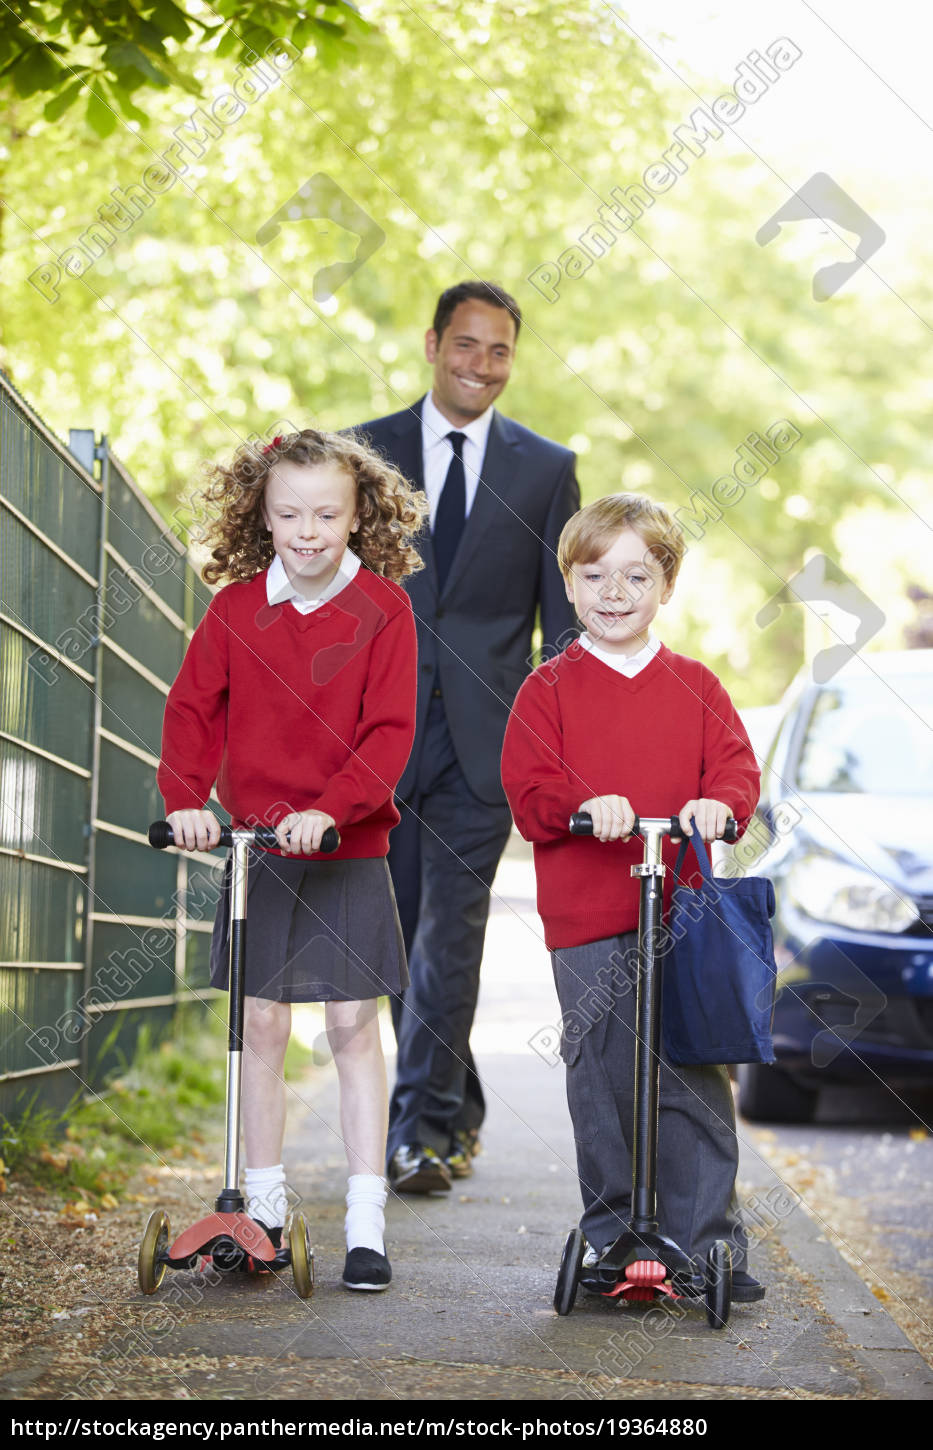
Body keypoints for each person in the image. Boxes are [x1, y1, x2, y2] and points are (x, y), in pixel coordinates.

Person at [157, 429, 426, 1291]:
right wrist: (186, 803)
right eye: (288, 514)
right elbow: (193, 713)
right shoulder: (235, 610)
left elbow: (389, 734)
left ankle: (364, 1214)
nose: (306, 531)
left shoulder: (384, 609)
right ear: (260, 516)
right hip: (257, 847)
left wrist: (331, 810)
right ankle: (262, 1203)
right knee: (261, 1024)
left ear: (357, 516)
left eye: (325, 514)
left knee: (351, 1025)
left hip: (344, 844)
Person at [500, 492, 766, 1301]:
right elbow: (528, 789)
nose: (614, 593)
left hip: (681, 916)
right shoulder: (548, 690)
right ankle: (616, 1235)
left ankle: (707, 1240)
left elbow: (735, 770)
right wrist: (586, 807)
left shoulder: (695, 686)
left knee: (691, 1075)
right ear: (571, 588)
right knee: (603, 1078)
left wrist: (719, 802)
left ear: (665, 586)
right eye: (595, 575)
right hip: (587, 919)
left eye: (635, 576)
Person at [356, 280, 580, 1193]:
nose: (480, 365)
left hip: (486, 742)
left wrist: (559, 739)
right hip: (381, 733)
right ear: (431, 343)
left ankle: (415, 1134)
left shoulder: (545, 467)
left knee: (451, 932)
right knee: (399, 938)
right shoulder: (364, 451)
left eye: (498, 351)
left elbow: (560, 620)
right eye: (466, 345)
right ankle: (455, 1101)